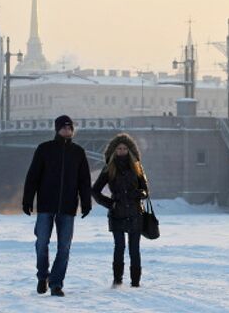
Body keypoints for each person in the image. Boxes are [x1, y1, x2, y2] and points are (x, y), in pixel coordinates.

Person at [22, 115, 92, 297]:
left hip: (68, 207)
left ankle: (56, 284)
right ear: (57, 129)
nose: (67, 131)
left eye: (70, 128)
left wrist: (86, 203)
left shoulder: (78, 152)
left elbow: (84, 180)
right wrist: (27, 200)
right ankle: (42, 276)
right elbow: (33, 177)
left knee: (64, 247)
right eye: (64, 127)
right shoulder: (44, 149)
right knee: (42, 243)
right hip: (46, 205)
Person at [92, 133, 149, 288]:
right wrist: (110, 204)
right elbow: (95, 191)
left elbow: (145, 190)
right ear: (114, 150)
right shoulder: (109, 168)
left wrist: (137, 194)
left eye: (125, 148)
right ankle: (117, 280)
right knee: (119, 247)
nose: (122, 151)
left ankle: (136, 282)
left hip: (135, 213)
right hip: (117, 214)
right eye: (119, 148)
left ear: (129, 150)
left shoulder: (137, 167)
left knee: (134, 249)